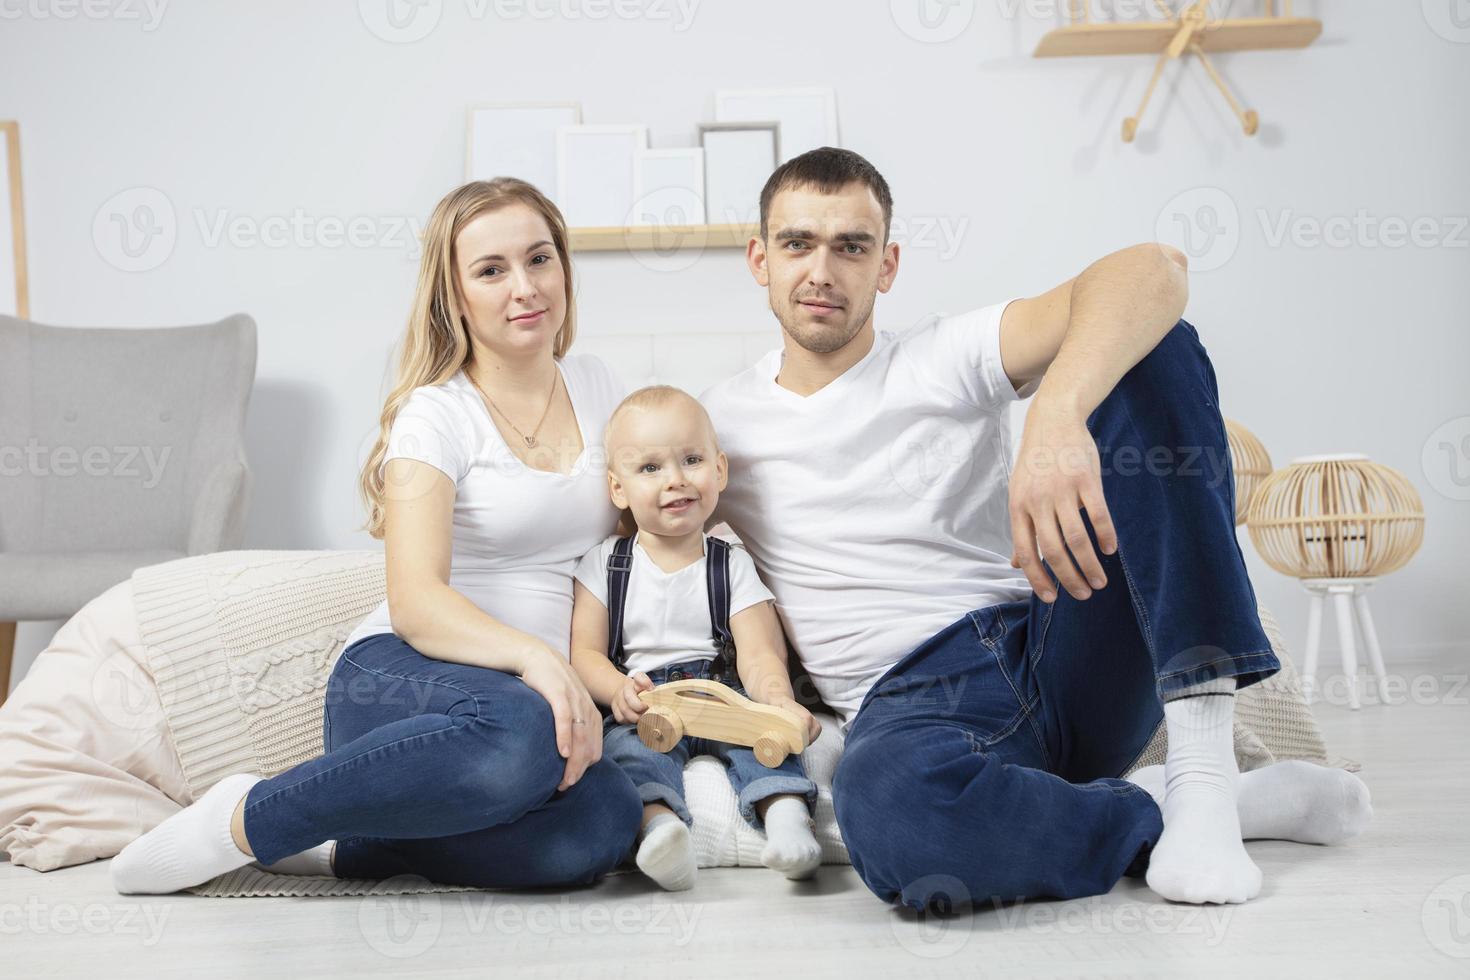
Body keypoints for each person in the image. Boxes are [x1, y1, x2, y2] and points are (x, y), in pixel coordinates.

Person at [700, 147, 1373, 911]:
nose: (822, 270)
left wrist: (1055, 412)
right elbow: (625, 535)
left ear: (886, 266)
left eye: (850, 246)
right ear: (760, 258)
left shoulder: (940, 357)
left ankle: (1206, 773)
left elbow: (1156, 269)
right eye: (797, 244)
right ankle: (1174, 805)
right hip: (912, 702)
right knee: (889, 810)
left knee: (1156, 348)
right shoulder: (717, 424)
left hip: (1054, 638)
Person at [111, 178, 642, 894]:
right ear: (454, 297)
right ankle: (241, 821)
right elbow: (416, 602)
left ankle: (361, 849)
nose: (525, 287)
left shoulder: (601, 385)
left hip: (523, 715)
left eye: (539, 259)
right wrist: (540, 664)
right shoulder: (435, 414)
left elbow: (637, 537)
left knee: (606, 820)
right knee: (519, 733)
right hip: (406, 678)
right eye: (491, 270)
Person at [568, 386, 824, 891]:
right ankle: (661, 832)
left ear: (720, 470)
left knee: (764, 740)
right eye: (650, 469)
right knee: (627, 755)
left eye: (691, 460)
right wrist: (615, 690)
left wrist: (774, 700)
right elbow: (585, 652)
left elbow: (759, 652)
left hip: (722, 691)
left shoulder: (730, 561)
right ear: (617, 489)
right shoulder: (605, 563)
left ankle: (787, 819)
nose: (676, 480)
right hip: (649, 701)